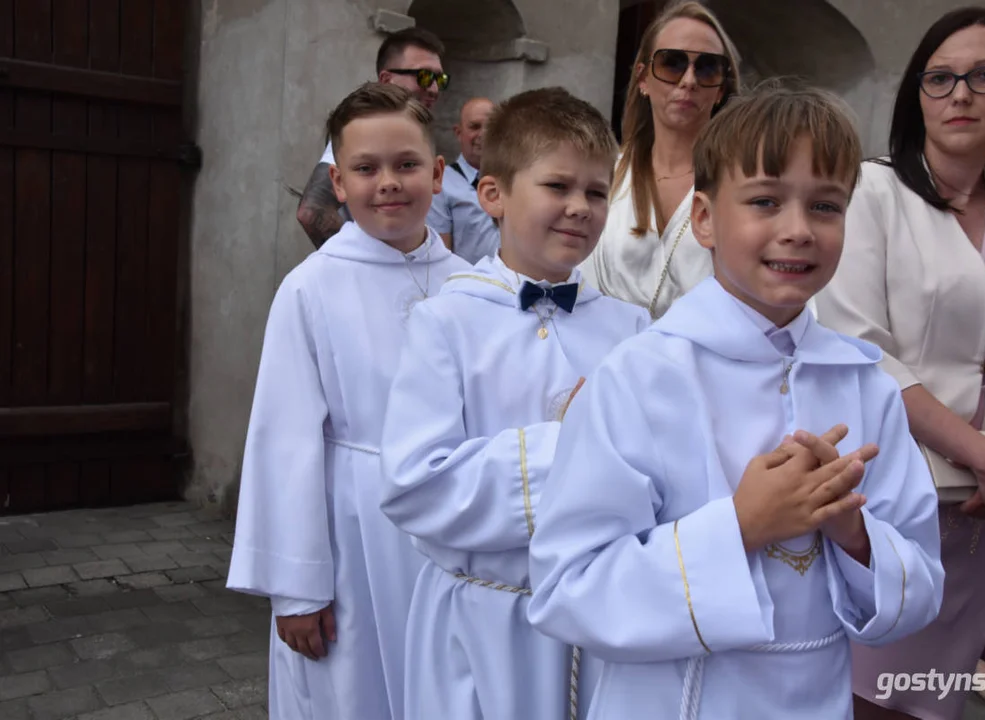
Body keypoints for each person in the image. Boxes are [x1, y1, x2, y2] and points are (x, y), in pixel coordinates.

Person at [527, 84, 945, 720]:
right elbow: (568, 590)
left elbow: (920, 588)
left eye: (826, 207)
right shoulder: (642, 378)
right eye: (765, 201)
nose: (798, 230)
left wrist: (854, 534)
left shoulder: (867, 387)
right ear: (703, 219)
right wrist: (741, 527)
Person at [814, 7, 985, 719]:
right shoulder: (873, 194)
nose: (959, 94)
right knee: (871, 693)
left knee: (938, 697)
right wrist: (983, 457)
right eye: (939, 78)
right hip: (900, 491)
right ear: (915, 94)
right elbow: (863, 351)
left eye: (984, 76)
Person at [378, 87, 650, 720]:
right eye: (557, 186)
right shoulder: (445, 321)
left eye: (597, 191)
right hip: (483, 619)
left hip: (596, 619)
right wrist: (575, 441)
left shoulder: (634, 330)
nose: (580, 208)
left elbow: (654, 477)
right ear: (493, 193)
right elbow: (414, 483)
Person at [227, 83, 470, 720]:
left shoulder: (472, 285)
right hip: (350, 537)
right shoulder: (310, 290)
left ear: (438, 173)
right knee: (351, 693)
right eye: (365, 169)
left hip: (447, 535)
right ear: (338, 183)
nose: (387, 182)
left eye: (406, 164)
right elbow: (283, 443)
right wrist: (295, 590)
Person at [580, 0, 740, 319]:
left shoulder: (743, 184)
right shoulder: (604, 174)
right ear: (643, 78)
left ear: (721, 88)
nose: (689, 81)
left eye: (707, 67)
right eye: (672, 63)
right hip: (604, 357)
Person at [296, 27, 450, 248]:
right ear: (387, 79)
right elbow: (312, 211)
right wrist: (367, 261)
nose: (434, 89)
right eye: (424, 77)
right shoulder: (363, 134)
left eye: (440, 79)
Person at [428, 97, 502, 263]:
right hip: (469, 284)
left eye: (491, 127)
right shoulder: (441, 183)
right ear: (458, 133)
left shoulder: (513, 180)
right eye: (475, 127)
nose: (483, 134)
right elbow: (439, 253)